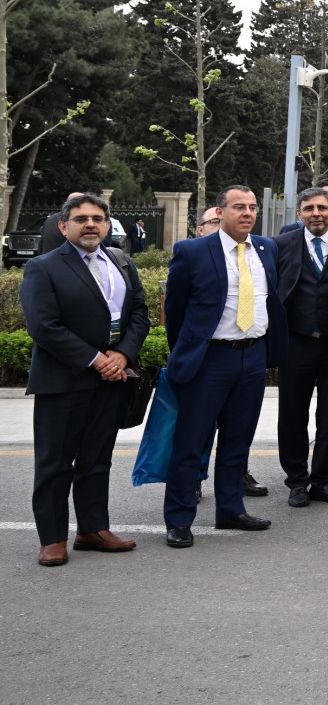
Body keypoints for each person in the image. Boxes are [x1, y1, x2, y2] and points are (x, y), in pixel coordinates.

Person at [23, 193, 151, 567]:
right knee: (55, 463)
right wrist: (96, 359)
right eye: (81, 219)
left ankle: (93, 530)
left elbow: (139, 313)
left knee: (97, 460)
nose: (91, 224)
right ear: (64, 227)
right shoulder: (43, 267)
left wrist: (122, 354)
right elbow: (43, 327)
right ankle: (52, 539)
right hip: (63, 381)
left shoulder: (121, 262)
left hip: (112, 378)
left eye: (98, 218)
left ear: (108, 225)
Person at [161, 184, 287, 547]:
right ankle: (180, 518)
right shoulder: (192, 251)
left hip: (252, 358)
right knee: (191, 442)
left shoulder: (267, 248)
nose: (247, 213)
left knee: (238, 442)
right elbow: (177, 313)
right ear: (220, 213)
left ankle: (231, 508)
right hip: (209, 360)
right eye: (238, 207)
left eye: (252, 208)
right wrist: (189, 353)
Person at [272, 186, 328, 507]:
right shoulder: (280, 245)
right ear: (299, 213)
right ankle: (296, 481)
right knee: (292, 415)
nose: (316, 214)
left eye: (322, 207)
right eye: (309, 209)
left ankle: (322, 480)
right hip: (296, 344)